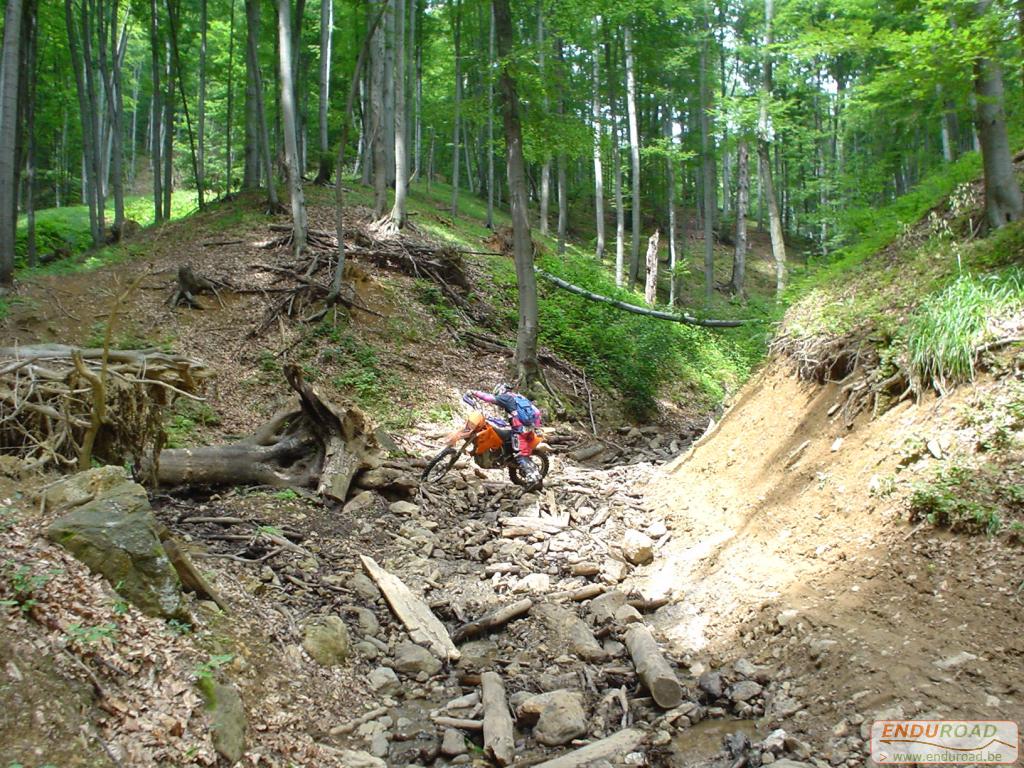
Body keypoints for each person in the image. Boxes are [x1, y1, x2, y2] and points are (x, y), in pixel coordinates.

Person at [463, 384, 542, 470]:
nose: (498, 396)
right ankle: (502, 456)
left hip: (519, 431)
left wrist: (474, 392)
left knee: (520, 455)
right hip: (526, 428)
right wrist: (536, 427)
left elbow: (489, 398)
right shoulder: (518, 397)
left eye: (498, 394)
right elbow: (537, 412)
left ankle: (533, 475)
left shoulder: (506, 397)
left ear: (501, 391)